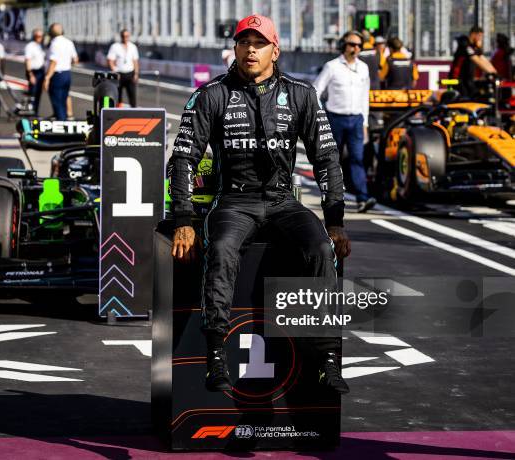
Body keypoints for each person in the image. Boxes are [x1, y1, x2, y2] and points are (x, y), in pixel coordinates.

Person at [167, 14, 351, 394]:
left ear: (274, 50)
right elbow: (183, 157)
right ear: (234, 47)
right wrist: (183, 217)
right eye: (244, 42)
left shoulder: (301, 94)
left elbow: (327, 159)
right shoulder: (211, 94)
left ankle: (328, 359)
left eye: (259, 43)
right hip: (234, 201)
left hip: (284, 200)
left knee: (320, 247)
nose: (251, 50)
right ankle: (216, 356)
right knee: (220, 249)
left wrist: (335, 220)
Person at [314, 31, 376, 213]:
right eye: (352, 44)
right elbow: (316, 91)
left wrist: (364, 121)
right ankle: (331, 197)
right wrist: (320, 116)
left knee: (358, 158)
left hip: (356, 120)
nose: (355, 48)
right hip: (335, 119)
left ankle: (362, 198)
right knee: (333, 160)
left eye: (358, 45)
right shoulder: (331, 67)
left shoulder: (363, 68)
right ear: (343, 45)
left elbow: (365, 96)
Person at [450, 26, 497, 99]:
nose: (480, 39)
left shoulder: (474, 47)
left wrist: (495, 72)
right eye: (480, 36)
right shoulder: (464, 44)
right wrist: (490, 72)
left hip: (468, 80)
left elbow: (483, 60)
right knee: (468, 98)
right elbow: (476, 59)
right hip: (458, 79)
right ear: (473, 34)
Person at [44, 23, 78, 121]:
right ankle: (64, 117)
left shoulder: (54, 44)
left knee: (57, 101)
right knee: (64, 97)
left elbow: (54, 62)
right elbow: (75, 59)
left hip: (57, 74)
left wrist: (47, 78)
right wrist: (65, 62)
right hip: (66, 73)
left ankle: (61, 121)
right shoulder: (69, 42)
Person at [107, 29, 139, 107]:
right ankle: (119, 112)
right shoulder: (115, 46)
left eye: (127, 36)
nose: (125, 38)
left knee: (132, 95)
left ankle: (133, 112)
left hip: (130, 73)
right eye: (123, 36)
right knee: (118, 95)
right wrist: (114, 70)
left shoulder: (133, 47)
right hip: (119, 74)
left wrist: (136, 74)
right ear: (121, 36)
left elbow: (135, 61)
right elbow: (110, 60)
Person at [24, 28, 46, 115]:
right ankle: (31, 111)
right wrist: (30, 74)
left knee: (38, 93)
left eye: (41, 36)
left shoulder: (40, 46)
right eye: (37, 36)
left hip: (41, 71)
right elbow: (27, 60)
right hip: (33, 71)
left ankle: (35, 111)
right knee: (33, 92)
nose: (39, 38)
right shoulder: (30, 46)